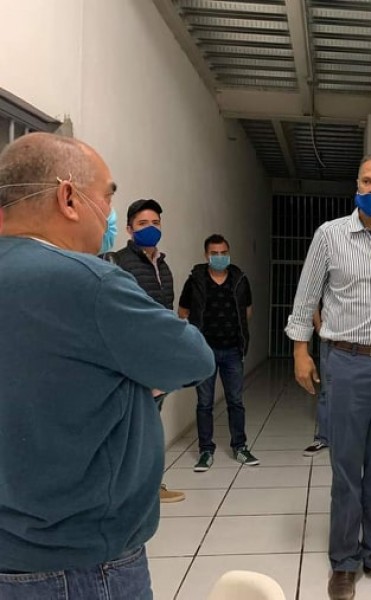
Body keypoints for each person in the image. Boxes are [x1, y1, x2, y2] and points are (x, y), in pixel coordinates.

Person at [0, 132, 215, 599]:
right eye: (107, 198)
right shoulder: (89, 282)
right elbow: (194, 358)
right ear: (69, 198)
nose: (110, 216)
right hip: (79, 560)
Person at [286, 153, 371, 600]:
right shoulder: (330, 235)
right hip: (347, 362)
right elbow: (306, 297)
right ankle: (344, 561)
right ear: (357, 186)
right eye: (366, 181)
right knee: (346, 465)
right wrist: (301, 351)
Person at [103, 198, 184, 503]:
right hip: (131, 362)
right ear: (128, 229)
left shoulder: (164, 265)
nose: (150, 229)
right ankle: (126, 492)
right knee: (128, 430)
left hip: (159, 361)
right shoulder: (118, 262)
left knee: (149, 428)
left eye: (155, 223)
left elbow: (167, 313)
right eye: (142, 224)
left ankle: (148, 488)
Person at [178, 234, 259, 471]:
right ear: (206, 255)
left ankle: (240, 447)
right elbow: (183, 311)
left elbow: (247, 311)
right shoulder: (195, 281)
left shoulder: (239, 279)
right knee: (205, 403)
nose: (220, 257)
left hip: (233, 350)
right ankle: (206, 450)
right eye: (214, 253)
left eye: (224, 253)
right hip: (204, 352)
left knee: (236, 401)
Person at [303, 304, 330, 457]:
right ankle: (323, 438)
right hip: (331, 339)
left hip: (361, 341)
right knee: (327, 390)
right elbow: (312, 300)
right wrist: (319, 327)